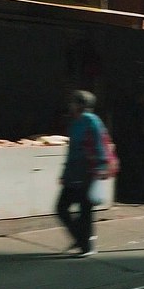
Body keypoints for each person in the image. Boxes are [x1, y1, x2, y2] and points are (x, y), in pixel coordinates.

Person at [57, 90, 110, 258]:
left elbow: (99, 145)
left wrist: (100, 168)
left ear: (81, 104)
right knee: (66, 208)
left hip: (88, 172)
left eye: (73, 102)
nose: (70, 105)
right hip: (75, 172)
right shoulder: (76, 122)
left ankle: (85, 245)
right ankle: (81, 239)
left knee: (80, 210)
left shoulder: (90, 121)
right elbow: (72, 150)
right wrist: (66, 173)